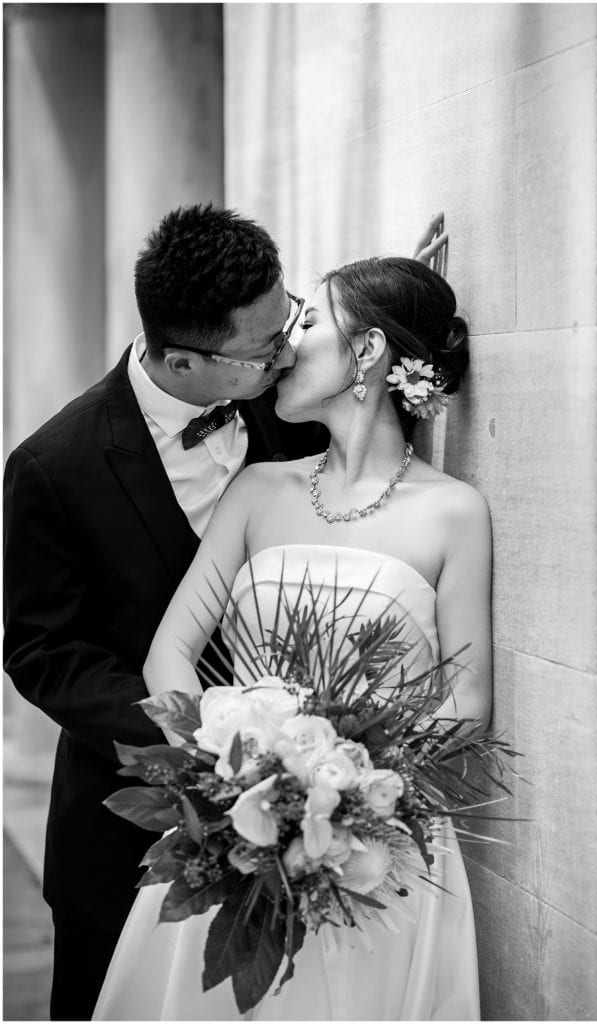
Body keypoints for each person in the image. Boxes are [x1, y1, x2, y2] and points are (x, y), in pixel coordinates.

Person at [3, 203, 446, 1021]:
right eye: (263, 350)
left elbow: (369, 397)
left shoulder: (283, 399)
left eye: (289, 327)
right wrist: (204, 742)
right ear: (183, 360)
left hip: (319, 816)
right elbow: (44, 652)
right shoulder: (50, 468)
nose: (286, 354)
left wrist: (410, 307)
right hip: (126, 827)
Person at [94, 255, 492, 1020]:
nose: (286, 344)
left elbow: (466, 698)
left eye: (308, 323)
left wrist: (348, 796)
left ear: (367, 352)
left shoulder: (454, 513)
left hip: (379, 844)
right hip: (238, 827)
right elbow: (168, 652)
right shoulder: (259, 488)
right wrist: (233, 773)